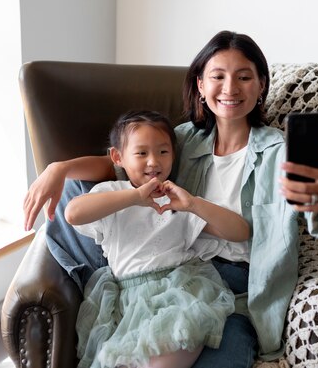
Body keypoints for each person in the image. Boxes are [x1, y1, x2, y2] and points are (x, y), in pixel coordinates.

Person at [22, 30, 318, 367]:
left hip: (239, 287)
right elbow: (121, 167)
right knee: (76, 190)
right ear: (201, 86)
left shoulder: (280, 150)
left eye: (244, 77)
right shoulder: (182, 140)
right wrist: (59, 168)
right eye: (217, 76)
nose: (230, 88)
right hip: (173, 269)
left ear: (262, 84)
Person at [67, 110, 249, 368]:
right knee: (115, 360)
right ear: (118, 157)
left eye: (163, 152)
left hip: (181, 290)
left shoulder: (178, 200)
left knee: (167, 357)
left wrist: (194, 204)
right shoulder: (112, 195)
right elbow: (73, 213)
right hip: (128, 299)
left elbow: (240, 232)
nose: (154, 162)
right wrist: (134, 197)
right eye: (141, 153)